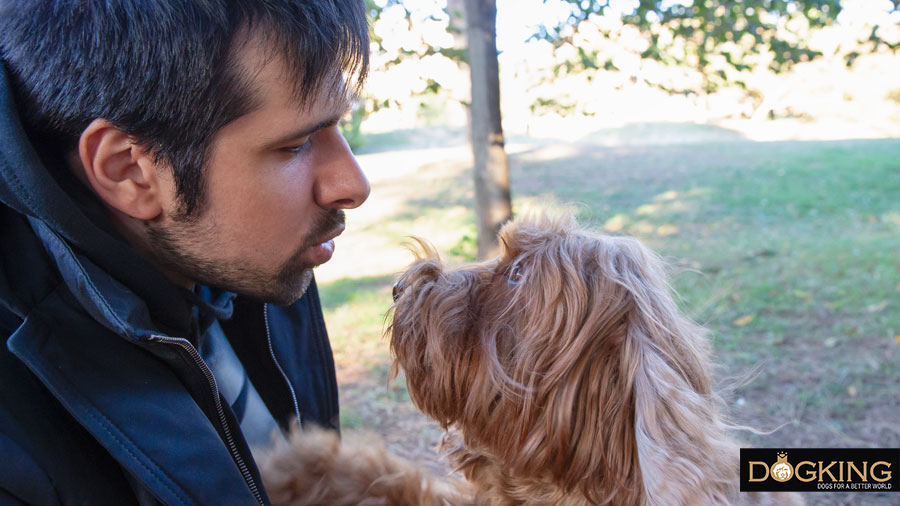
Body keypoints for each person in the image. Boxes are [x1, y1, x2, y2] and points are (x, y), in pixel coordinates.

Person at [0, 1, 370, 504]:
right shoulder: (17, 453)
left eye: (338, 124)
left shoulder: (259, 254)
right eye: (296, 144)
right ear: (128, 171)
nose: (352, 184)